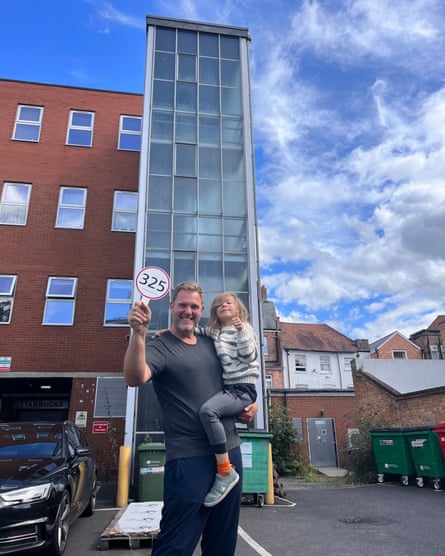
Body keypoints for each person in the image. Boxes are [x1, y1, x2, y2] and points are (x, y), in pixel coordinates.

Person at [123, 281, 258, 556]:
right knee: (176, 543)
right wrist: (139, 334)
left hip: (230, 454)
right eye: (182, 305)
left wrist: (250, 407)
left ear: (201, 311)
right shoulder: (161, 346)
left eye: (194, 306)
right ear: (171, 306)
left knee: (222, 542)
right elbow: (134, 377)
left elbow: (238, 377)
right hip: (189, 459)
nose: (188, 311)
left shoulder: (213, 341)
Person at [196, 292, 259, 507]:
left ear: (238, 309)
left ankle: (224, 470)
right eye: (218, 304)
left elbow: (248, 356)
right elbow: (196, 330)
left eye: (228, 302)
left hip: (243, 388)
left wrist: (241, 331)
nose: (223, 305)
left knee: (208, 411)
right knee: (210, 413)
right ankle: (222, 469)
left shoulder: (245, 329)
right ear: (214, 311)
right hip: (230, 389)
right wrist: (169, 332)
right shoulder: (216, 332)